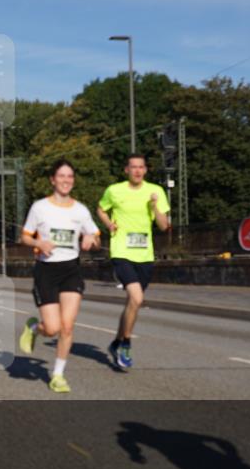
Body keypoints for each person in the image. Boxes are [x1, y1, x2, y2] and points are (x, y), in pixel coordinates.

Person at [18, 159, 101, 393]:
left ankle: (58, 375)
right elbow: (25, 236)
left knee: (67, 326)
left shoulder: (80, 210)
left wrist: (91, 239)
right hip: (46, 270)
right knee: (52, 328)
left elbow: (96, 238)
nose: (66, 180)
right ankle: (34, 328)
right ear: (53, 180)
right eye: (61, 176)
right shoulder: (40, 207)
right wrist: (38, 243)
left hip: (71, 269)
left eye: (70, 176)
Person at [95, 154, 171, 370]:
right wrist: (109, 224)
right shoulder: (114, 190)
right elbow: (100, 208)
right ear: (126, 170)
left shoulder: (156, 191)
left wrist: (154, 207)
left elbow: (164, 226)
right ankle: (126, 345)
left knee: (133, 303)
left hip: (144, 255)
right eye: (133, 167)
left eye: (141, 167)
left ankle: (116, 343)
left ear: (145, 170)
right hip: (121, 252)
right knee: (137, 298)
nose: (137, 171)